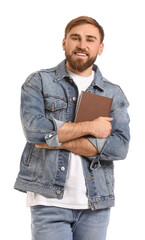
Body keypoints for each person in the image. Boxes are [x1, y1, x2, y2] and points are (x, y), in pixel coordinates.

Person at [14, 16, 130, 240]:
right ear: (64, 43)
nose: (82, 45)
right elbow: (35, 131)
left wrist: (57, 141)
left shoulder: (113, 93)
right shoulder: (38, 82)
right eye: (75, 38)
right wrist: (90, 128)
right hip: (48, 202)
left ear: (100, 47)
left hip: (96, 205)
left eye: (90, 39)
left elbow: (119, 148)